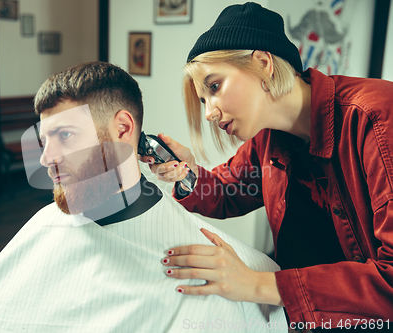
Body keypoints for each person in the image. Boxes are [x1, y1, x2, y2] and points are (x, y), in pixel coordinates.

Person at [0, 62, 286, 332]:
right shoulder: (45, 226)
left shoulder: (236, 267)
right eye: (44, 141)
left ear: (123, 128)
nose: (45, 159)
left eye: (66, 136)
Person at [146, 2, 393, 331]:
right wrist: (186, 173)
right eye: (203, 100)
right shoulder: (269, 139)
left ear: (263, 64)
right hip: (298, 319)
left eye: (215, 87)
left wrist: (254, 284)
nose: (208, 113)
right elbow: (228, 191)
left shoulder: (376, 116)